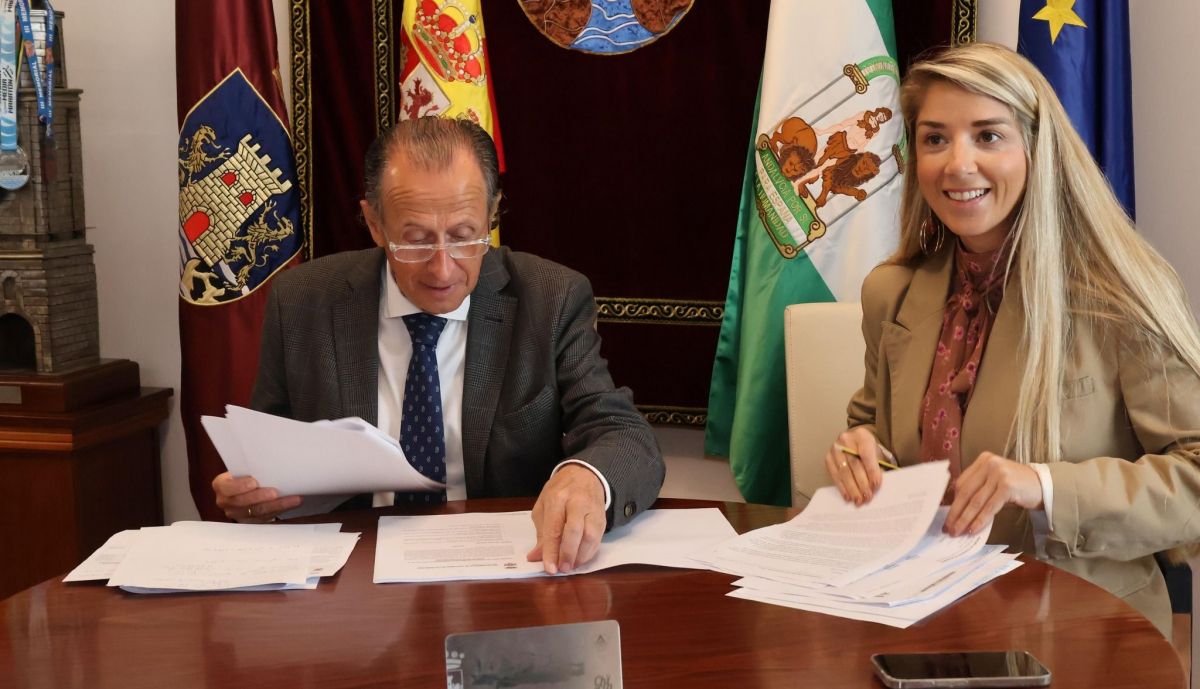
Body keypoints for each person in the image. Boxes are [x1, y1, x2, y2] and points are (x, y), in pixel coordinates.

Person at [823, 42, 1200, 637]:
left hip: (1085, 630)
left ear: (1036, 148)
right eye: (935, 138)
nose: (957, 164)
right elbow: (872, 425)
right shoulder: (891, 292)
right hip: (916, 613)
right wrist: (857, 452)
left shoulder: (1120, 295)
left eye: (988, 136)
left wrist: (1045, 485)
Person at [211, 117, 665, 574]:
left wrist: (587, 477)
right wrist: (254, 494)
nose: (443, 269)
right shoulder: (303, 301)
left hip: (504, 571)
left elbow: (622, 433)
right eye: (416, 241)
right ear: (373, 223)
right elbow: (268, 450)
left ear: (492, 213)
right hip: (349, 577)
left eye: (465, 236)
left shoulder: (550, 298)